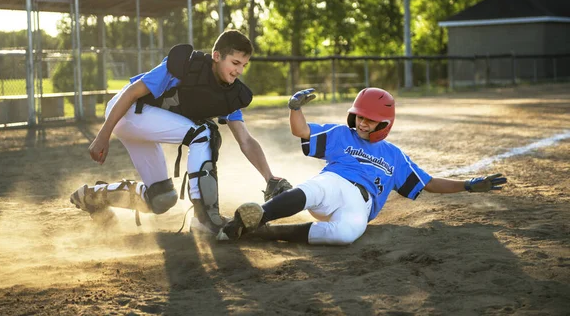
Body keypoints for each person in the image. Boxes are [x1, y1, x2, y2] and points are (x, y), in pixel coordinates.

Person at [217, 87, 507, 245]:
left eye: (369, 120)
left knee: (344, 234)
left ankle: (265, 233)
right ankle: (255, 217)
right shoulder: (342, 134)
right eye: (359, 116)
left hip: (360, 207)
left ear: (385, 124)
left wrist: (467, 185)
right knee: (316, 189)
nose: (362, 123)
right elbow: (302, 132)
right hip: (334, 182)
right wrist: (295, 108)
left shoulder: (395, 156)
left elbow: (428, 182)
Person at [70, 30, 292, 234]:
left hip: (141, 123)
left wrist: (269, 177)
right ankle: (205, 218)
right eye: (235, 62)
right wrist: (103, 135)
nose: (239, 70)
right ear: (216, 56)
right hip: (127, 111)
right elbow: (131, 93)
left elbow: (245, 140)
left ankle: (94, 198)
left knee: (161, 199)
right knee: (204, 132)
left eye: (244, 65)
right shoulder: (185, 66)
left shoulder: (230, 94)